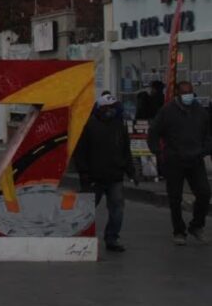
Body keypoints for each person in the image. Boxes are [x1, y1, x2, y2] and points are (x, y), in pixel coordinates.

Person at [148, 81, 212, 245]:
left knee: (204, 193)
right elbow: (154, 131)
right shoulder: (167, 111)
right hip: (174, 160)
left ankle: (196, 225)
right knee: (175, 198)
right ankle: (179, 231)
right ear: (177, 93)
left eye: (190, 92)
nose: (188, 96)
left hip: (196, 159)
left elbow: (208, 132)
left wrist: (205, 149)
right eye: (185, 93)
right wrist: (157, 151)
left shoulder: (200, 111)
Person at [73, 92, 134, 253]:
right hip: (94, 177)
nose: (110, 111)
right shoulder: (89, 126)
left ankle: (112, 238)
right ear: (99, 108)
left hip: (115, 176)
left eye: (113, 107)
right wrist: (83, 173)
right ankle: (79, 236)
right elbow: (80, 152)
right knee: (86, 208)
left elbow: (125, 151)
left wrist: (131, 172)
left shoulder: (119, 127)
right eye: (107, 108)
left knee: (117, 209)